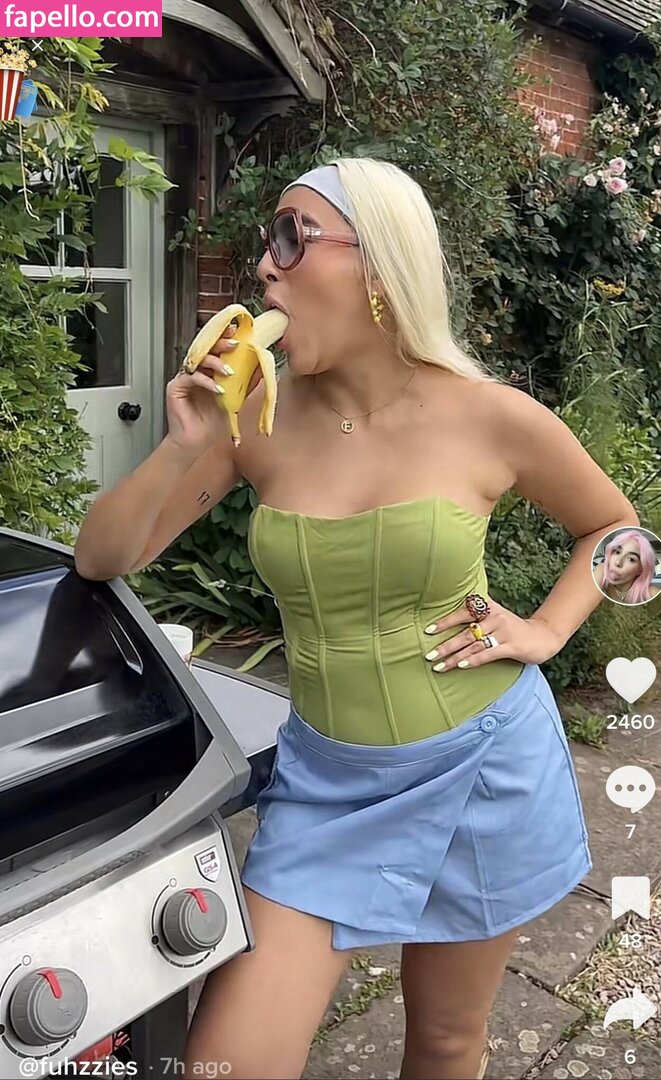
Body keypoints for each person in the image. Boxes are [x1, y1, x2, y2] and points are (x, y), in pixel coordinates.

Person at [74, 159, 638, 1080]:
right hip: (325, 791)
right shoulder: (253, 421)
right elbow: (103, 558)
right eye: (268, 242)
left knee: (446, 1042)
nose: (265, 265)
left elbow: (622, 535)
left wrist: (546, 630)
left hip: (483, 770)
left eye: (292, 237)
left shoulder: (490, 417)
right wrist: (184, 443)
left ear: (379, 266)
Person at [593, 529, 660, 605]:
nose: (618, 562)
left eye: (631, 559)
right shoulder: (601, 571)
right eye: (617, 552)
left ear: (640, 570)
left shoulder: (652, 594)